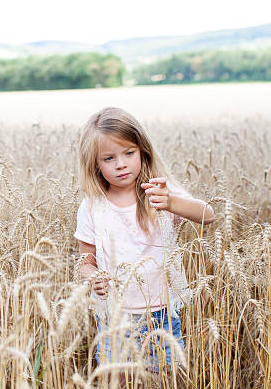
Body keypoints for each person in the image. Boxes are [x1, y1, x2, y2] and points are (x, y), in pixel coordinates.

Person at [74, 107, 215, 374]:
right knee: (120, 378)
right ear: (95, 164)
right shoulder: (92, 207)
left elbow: (208, 215)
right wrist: (93, 277)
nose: (121, 164)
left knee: (165, 375)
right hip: (113, 316)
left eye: (129, 153)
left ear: (143, 151)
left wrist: (172, 203)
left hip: (161, 313)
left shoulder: (158, 193)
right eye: (108, 158)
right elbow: (85, 261)